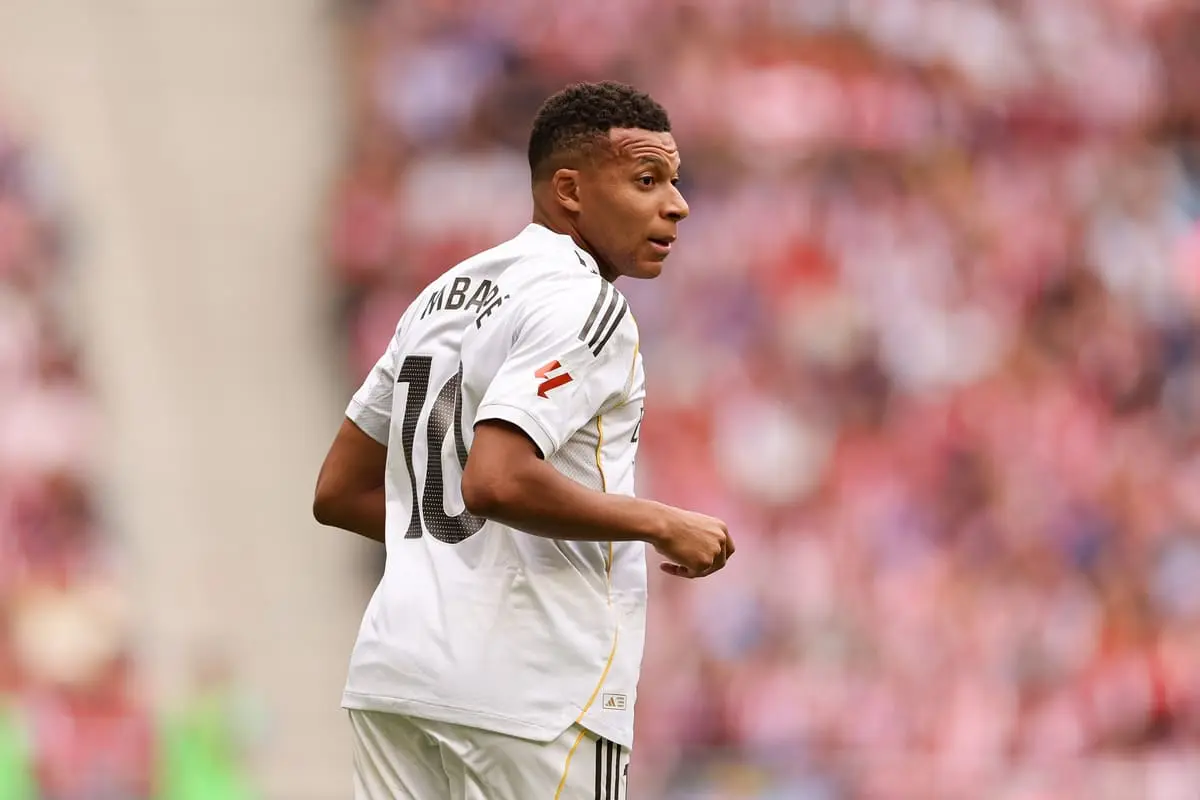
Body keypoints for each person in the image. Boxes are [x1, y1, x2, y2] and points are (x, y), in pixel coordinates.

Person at [313, 80, 734, 800]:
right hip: (531, 687)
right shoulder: (588, 304)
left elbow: (339, 491)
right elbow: (497, 480)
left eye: (674, 180)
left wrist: (455, 552)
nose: (677, 204)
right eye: (646, 180)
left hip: (397, 674)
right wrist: (662, 523)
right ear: (569, 190)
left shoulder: (442, 295)